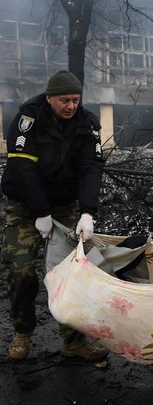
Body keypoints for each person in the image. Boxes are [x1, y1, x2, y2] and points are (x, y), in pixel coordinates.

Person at [2, 70, 107, 363]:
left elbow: (91, 168)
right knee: (21, 270)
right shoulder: (28, 120)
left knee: (73, 273)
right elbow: (23, 169)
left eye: (75, 100)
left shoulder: (87, 123)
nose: (71, 106)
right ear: (49, 98)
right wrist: (40, 213)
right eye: (64, 100)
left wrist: (87, 211)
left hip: (64, 207)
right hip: (26, 207)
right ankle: (22, 331)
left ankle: (73, 342)